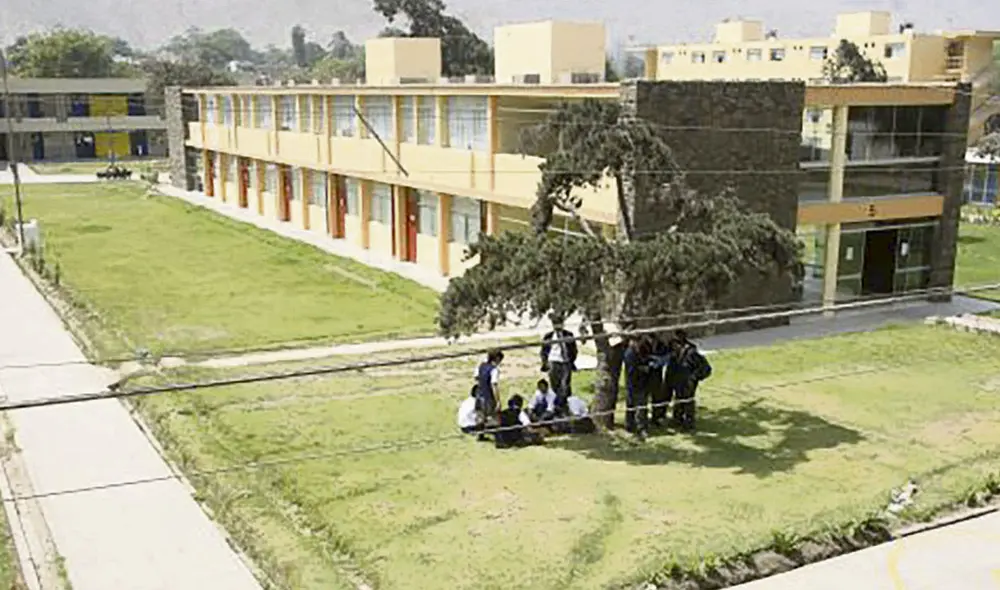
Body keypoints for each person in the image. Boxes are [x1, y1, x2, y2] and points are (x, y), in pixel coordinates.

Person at [668, 330, 712, 432]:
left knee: (688, 402)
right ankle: (677, 420)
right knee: (679, 400)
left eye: (675, 343)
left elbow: (704, 368)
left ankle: (689, 424)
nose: (673, 346)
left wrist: (694, 378)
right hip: (679, 380)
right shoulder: (676, 352)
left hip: (688, 382)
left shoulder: (691, 353)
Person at [541, 319, 578, 400]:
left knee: (565, 385)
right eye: (555, 324)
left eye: (559, 324)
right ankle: (556, 402)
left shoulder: (568, 334)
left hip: (565, 362)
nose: (557, 326)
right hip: (553, 361)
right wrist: (545, 362)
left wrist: (571, 360)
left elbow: (574, 349)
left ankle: (566, 402)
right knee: (554, 384)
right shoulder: (548, 336)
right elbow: (543, 351)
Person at [623, 336, 651, 440]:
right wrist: (643, 369)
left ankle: (636, 426)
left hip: (641, 383)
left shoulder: (641, 350)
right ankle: (636, 427)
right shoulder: (630, 354)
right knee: (637, 406)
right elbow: (632, 370)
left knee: (639, 406)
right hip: (634, 384)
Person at [647, 334, 671, 427]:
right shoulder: (645, 346)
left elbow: (666, 359)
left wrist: (657, 361)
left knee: (657, 398)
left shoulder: (662, 346)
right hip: (646, 376)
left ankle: (656, 418)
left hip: (657, 375)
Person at [475, 349, 504, 427]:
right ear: (497, 359)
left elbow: (476, 378)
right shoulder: (494, 370)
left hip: (479, 394)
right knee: (493, 418)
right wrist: (498, 401)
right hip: (488, 397)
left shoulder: (481, 366)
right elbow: (494, 385)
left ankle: (480, 434)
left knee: (480, 416)